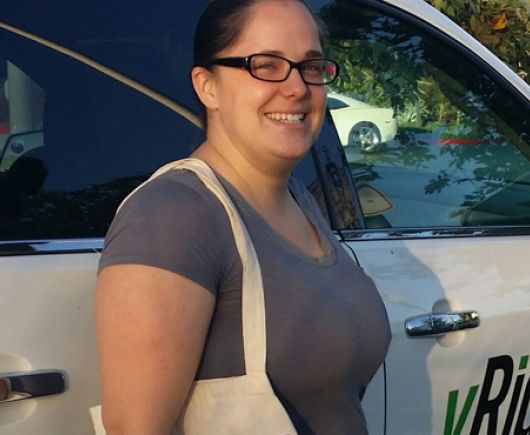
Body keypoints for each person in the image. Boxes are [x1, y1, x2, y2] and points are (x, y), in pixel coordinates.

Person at [95, 0, 391, 433]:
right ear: (206, 86)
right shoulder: (175, 216)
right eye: (266, 65)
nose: (296, 88)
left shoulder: (297, 199)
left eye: (311, 67)